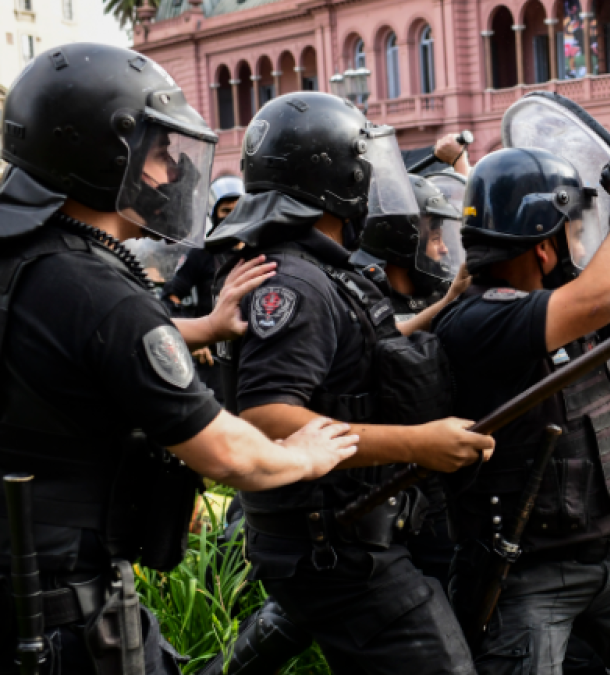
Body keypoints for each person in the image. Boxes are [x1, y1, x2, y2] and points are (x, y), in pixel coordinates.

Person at [0, 43, 359, 674]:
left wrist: (204, 325)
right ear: (110, 153)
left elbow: (67, 345)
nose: (172, 174)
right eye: (162, 153)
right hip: (68, 622)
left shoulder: (25, 259)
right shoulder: (98, 291)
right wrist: (302, 457)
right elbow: (226, 453)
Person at [207, 91, 495, 675]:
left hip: (341, 535)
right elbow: (267, 418)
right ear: (339, 180)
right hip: (330, 546)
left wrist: (448, 306)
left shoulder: (320, 270)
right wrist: (419, 444)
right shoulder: (298, 281)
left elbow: (362, 351)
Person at [434, 147, 610, 675]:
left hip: (609, 556)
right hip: (525, 576)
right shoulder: (477, 319)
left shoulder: (552, 305)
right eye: (575, 230)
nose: (584, 245)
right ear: (544, 247)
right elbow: (605, 299)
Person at [351, 174, 470, 336]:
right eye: (436, 239)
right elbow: (383, 338)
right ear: (404, 243)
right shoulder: (360, 298)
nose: (444, 249)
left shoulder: (441, 290)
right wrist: (449, 301)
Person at [162, 175, 245, 402]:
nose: (234, 216)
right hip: (214, 358)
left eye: (239, 208)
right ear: (214, 213)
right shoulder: (203, 254)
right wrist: (197, 338)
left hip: (250, 355)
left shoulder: (260, 251)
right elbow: (170, 296)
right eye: (226, 210)